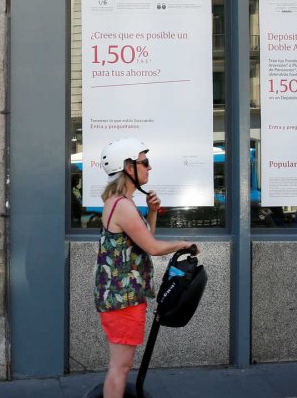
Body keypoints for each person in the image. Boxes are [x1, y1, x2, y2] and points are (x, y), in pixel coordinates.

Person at [94, 138, 198, 398]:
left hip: (123, 296)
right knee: (120, 367)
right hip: (122, 299)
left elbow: (144, 240)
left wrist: (152, 212)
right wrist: (184, 244)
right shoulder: (122, 205)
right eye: (145, 162)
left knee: (121, 365)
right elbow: (152, 247)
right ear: (128, 167)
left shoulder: (122, 202)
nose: (149, 167)